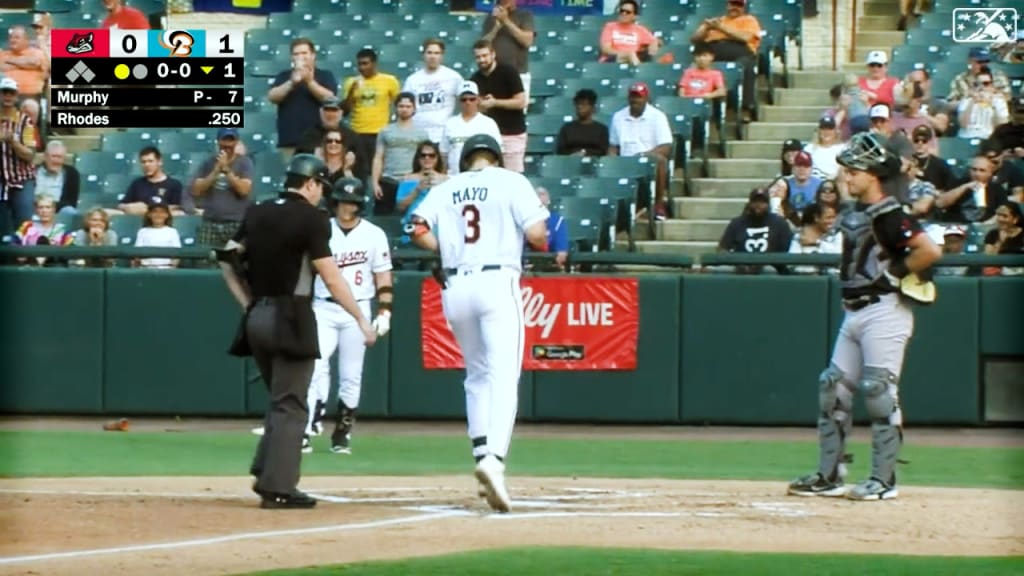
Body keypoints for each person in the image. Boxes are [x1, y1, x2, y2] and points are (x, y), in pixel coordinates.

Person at [215, 154, 377, 509]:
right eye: (322, 186)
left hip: (257, 315)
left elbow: (226, 256)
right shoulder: (313, 218)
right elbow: (332, 277)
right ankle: (279, 488)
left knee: (280, 396)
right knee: (292, 403)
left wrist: (247, 303)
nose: (322, 194)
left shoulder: (258, 210)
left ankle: (265, 470)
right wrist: (361, 319)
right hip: (293, 316)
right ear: (311, 183)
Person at [788, 132, 942, 501]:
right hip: (855, 310)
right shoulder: (859, 212)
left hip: (885, 310)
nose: (847, 177)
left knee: (878, 392)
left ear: (872, 174)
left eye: (853, 171)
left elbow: (929, 251)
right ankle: (830, 474)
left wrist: (893, 275)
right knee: (833, 388)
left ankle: (884, 479)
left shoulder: (890, 213)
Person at [407, 134, 549, 513]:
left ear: (466, 158)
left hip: (456, 287)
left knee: (476, 375)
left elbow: (415, 229)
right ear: (496, 158)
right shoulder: (510, 181)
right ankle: (494, 461)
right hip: (496, 281)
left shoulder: (448, 186)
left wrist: (448, 249)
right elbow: (538, 236)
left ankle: (481, 450)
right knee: (504, 376)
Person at [304, 178, 394, 455]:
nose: (347, 207)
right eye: (343, 201)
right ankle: (308, 427)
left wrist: (385, 311)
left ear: (360, 205)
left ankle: (342, 433)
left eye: (352, 202)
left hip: (359, 307)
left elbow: (383, 275)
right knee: (316, 366)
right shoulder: (323, 229)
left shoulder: (374, 234)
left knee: (352, 375)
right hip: (324, 306)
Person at [268, 38, 338, 159]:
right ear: (292, 57)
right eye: (296, 54)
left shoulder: (325, 75)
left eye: (304, 53)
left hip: (318, 141)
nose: (301, 57)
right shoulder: (284, 75)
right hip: (290, 140)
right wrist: (291, 83)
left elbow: (330, 98)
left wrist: (310, 82)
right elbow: (272, 96)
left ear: (313, 55)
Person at [403, 38, 465, 144]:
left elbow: (466, 101)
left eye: (437, 53)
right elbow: (405, 106)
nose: (432, 56)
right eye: (429, 53)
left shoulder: (454, 77)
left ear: (442, 56)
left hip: (444, 136)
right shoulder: (412, 80)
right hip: (418, 136)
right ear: (423, 55)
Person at [555, 89, 609, 157]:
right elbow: (560, 151)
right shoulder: (567, 128)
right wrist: (573, 155)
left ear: (592, 108)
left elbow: (603, 151)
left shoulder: (602, 129)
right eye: (578, 104)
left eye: (583, 104)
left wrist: (584, 153)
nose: (579, 107)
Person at [133, 197, 182, 269]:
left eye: (162, 212)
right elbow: (137, 254)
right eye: (154, 211)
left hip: (166, 269)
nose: (158, 214)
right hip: (146, 269)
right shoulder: (142, 231)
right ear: (149, 214)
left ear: (167, 215)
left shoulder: (172, 232)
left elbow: (177, 255)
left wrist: (171, 268)